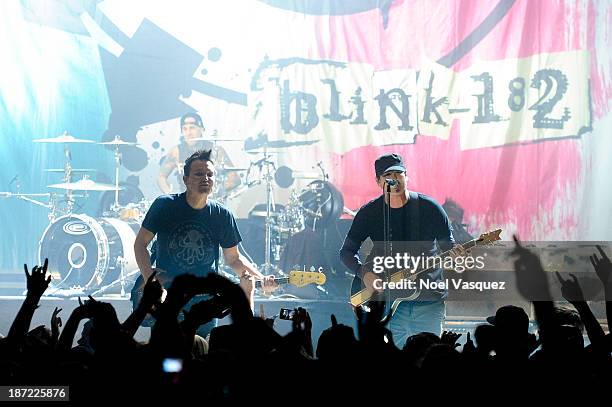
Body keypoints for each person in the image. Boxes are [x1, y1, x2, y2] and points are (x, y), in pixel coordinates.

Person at [136, 149, 276, 337]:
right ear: (185, 179)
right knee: (165, 356)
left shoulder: (222, 215)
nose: (206, 178)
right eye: (199, 174)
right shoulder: (165, 205)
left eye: (210, 174)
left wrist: (262, 278)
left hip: (205, 306)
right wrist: (151, 283)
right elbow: (140, 245)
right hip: (169, 299)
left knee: (202, 358)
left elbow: (234, 259)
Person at [339, 153, 462, 348]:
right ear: (378, 181)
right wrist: (366, 275)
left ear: (407, 176)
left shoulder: (430, 208)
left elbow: (449, 245)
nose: (395, 179)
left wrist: (456, 254)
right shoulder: (369, 213)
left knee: (430, 358)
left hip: (428, 300)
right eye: (388, 175)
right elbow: (346, 253)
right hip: (388, 302)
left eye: (399, 173)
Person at [156, 112, 240, 196]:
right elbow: (161, 177)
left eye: (192, 128)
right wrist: (170, 194)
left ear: (202, 129)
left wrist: (217, 192)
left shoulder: (215, 150)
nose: (188, 133)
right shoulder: (176, 151)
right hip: (186, 201)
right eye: (184, 129)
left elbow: (234, 178)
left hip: (210, 200)